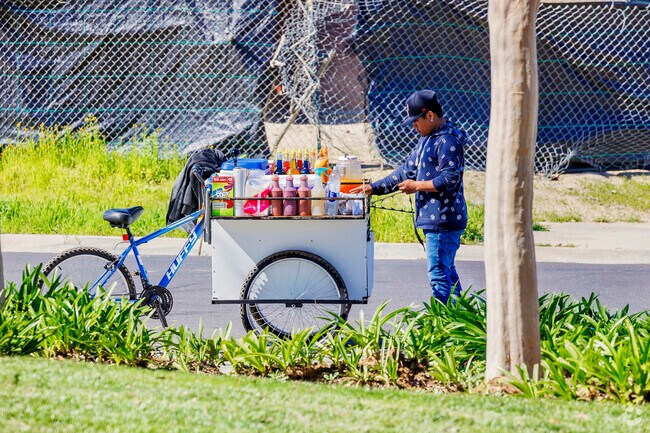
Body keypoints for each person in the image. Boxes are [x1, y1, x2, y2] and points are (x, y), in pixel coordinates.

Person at [351, 90, 468, 304]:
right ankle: (460, 319)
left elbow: (450, 179)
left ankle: (443, 322)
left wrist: (417, 186)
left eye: (416, 121)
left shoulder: (447, 141)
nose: (414, 127)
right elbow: (406, 171)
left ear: (430, 116)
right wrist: (373, 188)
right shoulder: (427, 140)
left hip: (444, 221)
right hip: (434, 221)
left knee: (439, 275)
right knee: (446, 271)